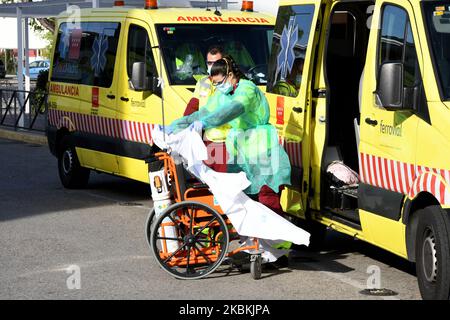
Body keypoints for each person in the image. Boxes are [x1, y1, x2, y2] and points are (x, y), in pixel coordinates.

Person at [168, 55, 291, 208]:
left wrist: (206, 122)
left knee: (267, 196)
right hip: (242, 150)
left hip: (261, 149)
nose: (218, 87)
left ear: (230, 75)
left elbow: (232, 110)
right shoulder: (224, 94)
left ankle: (275, 231)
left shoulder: (247, 89)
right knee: (244, 199)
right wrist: (176, 125)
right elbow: (204, 112)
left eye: (220, 82)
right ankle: (252, 232)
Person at [183, 45, 230, 172]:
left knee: (224, 183)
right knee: (209, 182)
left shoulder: (232, 84)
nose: (212, 66)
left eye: (216, 63)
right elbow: (191, 109)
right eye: (209, 63)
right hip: (207, 141)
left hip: (227, 143)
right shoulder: (202, 82)